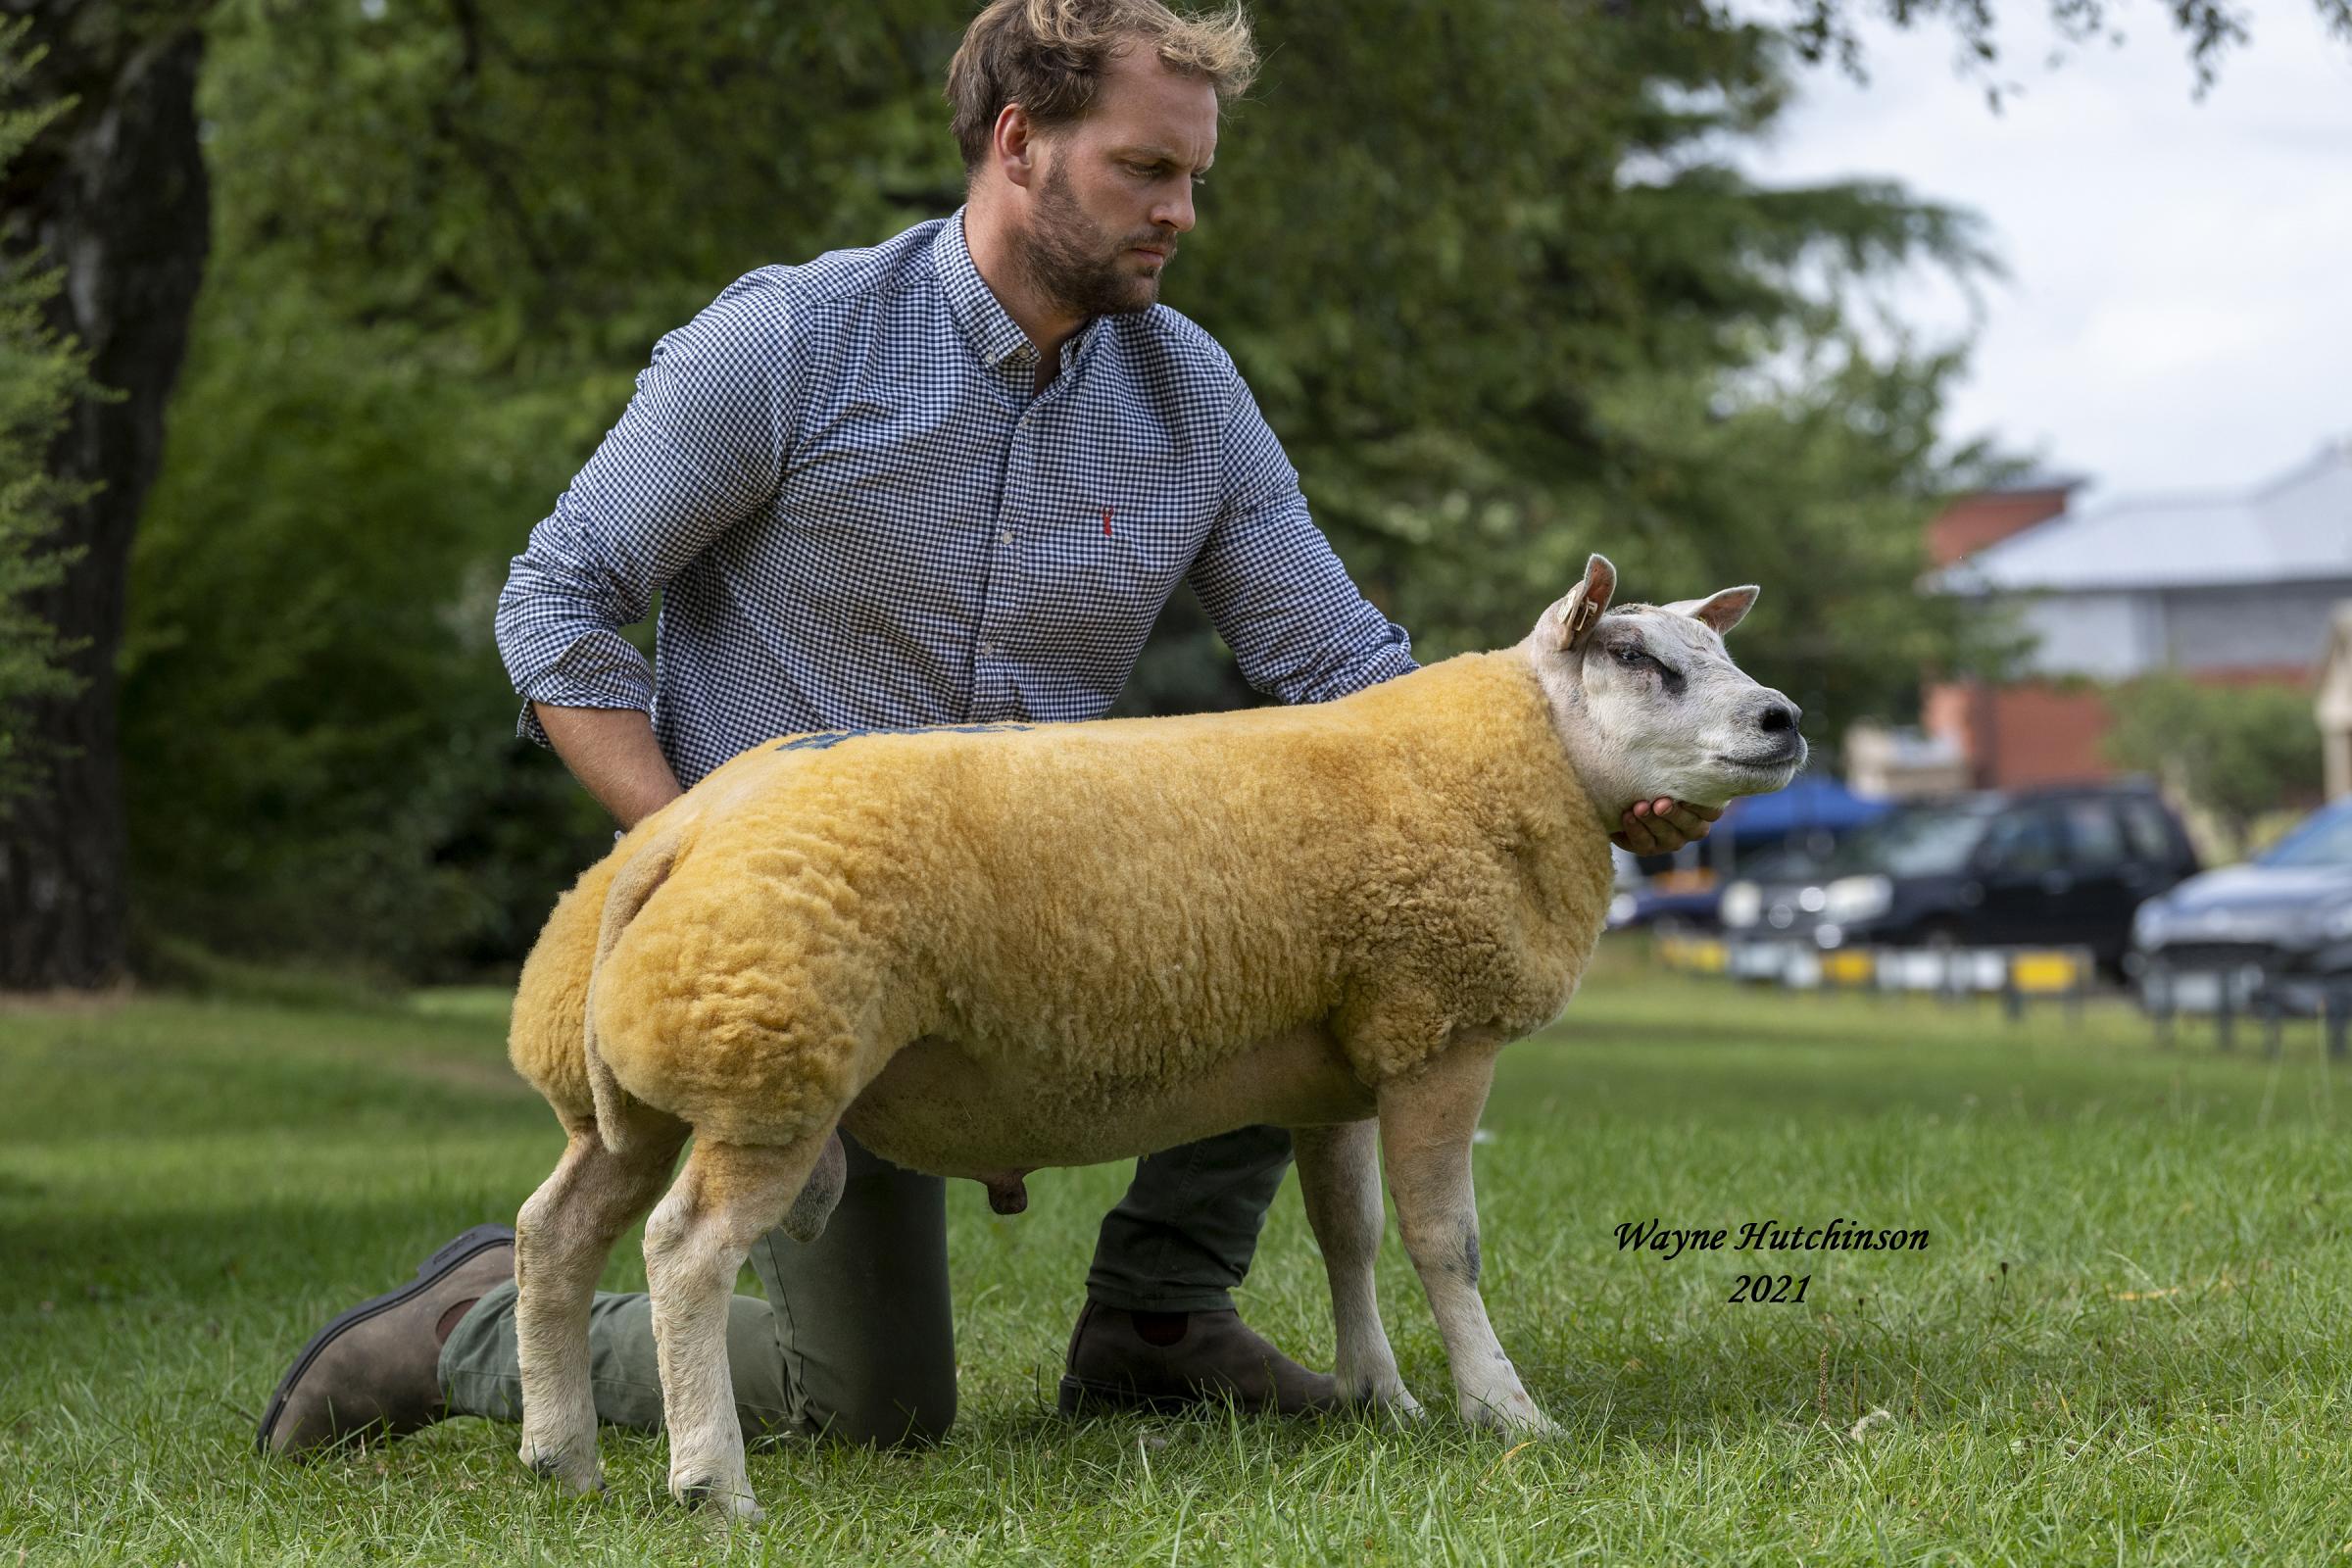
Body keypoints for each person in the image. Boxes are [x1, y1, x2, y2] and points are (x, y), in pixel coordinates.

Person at [255, 0, 1716, 1462]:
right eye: (1147, 170)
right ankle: (472, 1321)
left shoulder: (1191, 394)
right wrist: (723, 887)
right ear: (1021, 143)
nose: (1182, 212)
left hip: (1074, 932)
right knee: (873, 1409)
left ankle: (1159, 1317)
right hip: (833, 939)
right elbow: (561, 600)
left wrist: (1575, 776)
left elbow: (1348, 676)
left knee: (1302, 870)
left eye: (1195, 176)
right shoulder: (790, 343)